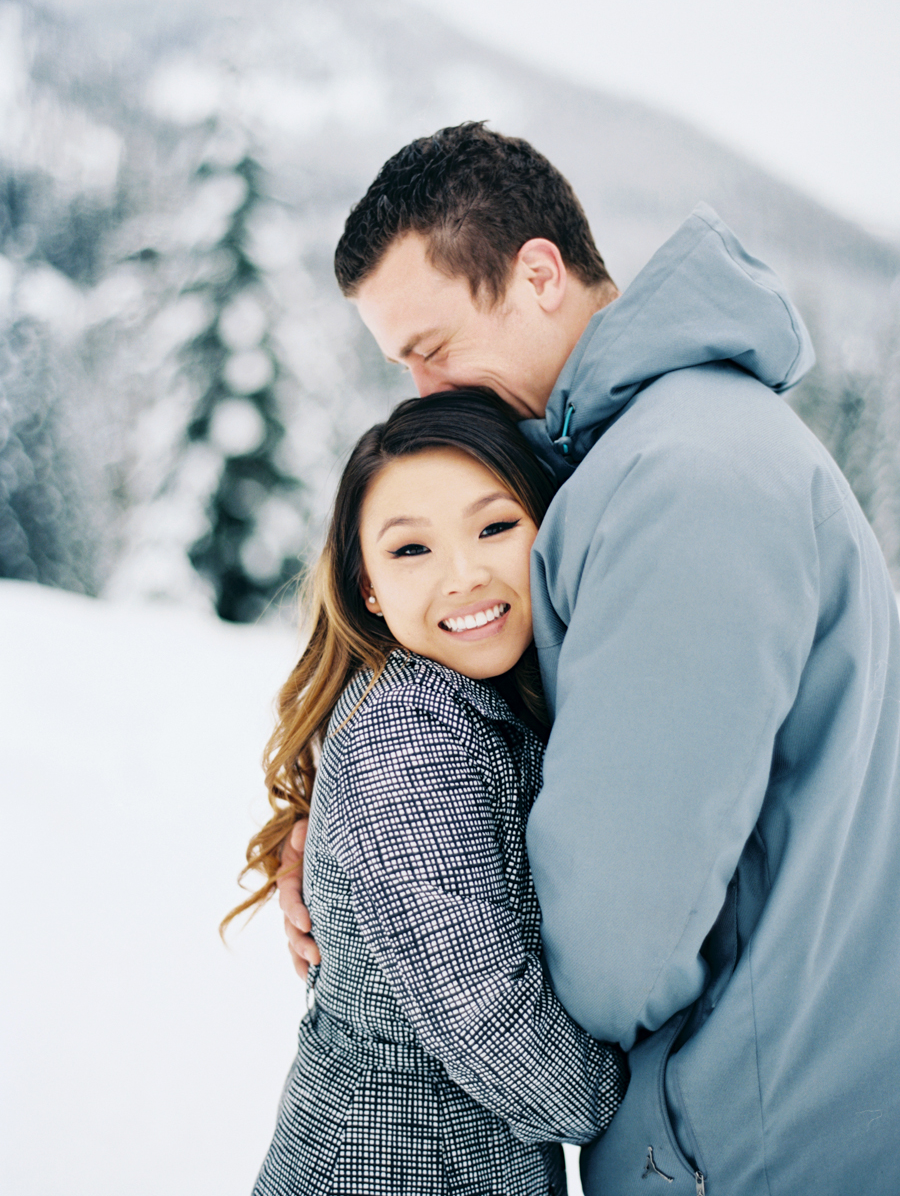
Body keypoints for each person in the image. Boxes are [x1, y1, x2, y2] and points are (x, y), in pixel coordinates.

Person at [279, 123, 900, 1194]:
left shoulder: (681, 477)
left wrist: (410, 908)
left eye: (431, 346)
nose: (424, 390)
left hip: (744, 1135)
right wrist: (370, 851)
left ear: (536, 274)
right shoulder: (650, 455)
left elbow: (618, 940)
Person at [226, 389, 626, 1196]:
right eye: (412, 551)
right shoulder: (408, 741)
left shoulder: (483, 694)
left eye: (495, 526)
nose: (464, 575)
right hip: (400, 1167)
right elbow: (495, 1028)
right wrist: (648, 1088)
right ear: (367, 586)